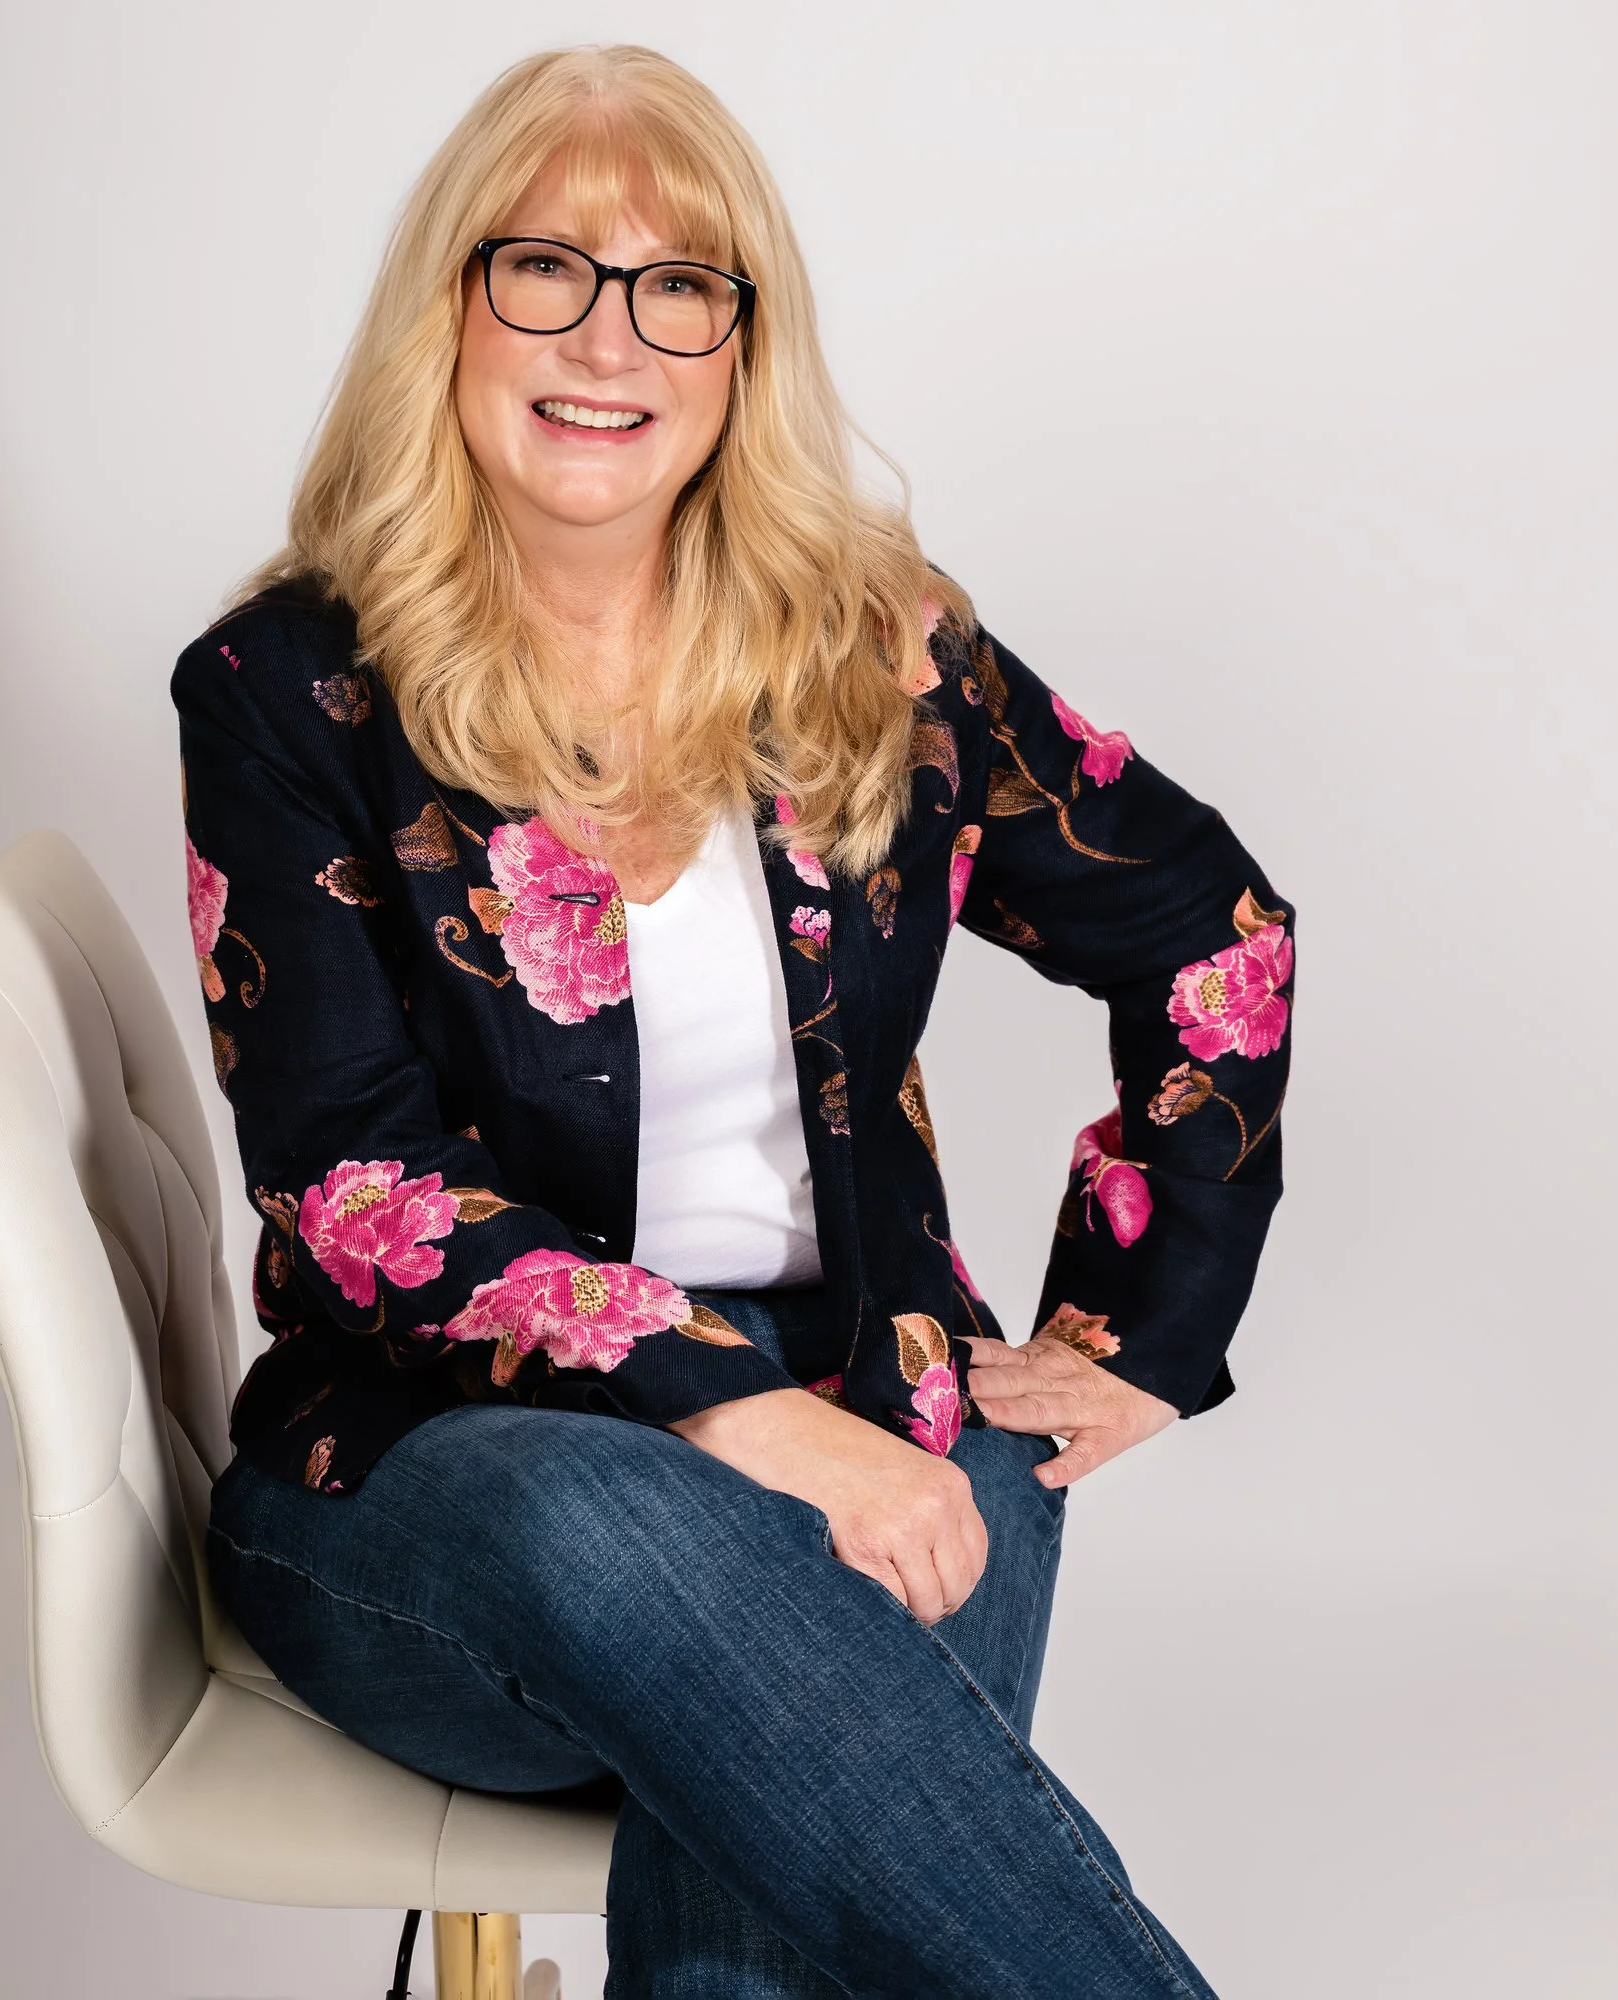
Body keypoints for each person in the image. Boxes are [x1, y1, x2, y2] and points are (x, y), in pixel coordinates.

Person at [176, 43, 1292, 1999]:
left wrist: (1141, 1326)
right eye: (546, 267)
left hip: (876, 1392)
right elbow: (355, 1181)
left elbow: (1207, 924)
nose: (608, 337)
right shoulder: (291, 688)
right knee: (639, 1531)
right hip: (440, 1473)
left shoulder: (876, 649)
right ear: (449, 303)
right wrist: (750, 1423)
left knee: (857, 1624)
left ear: (740, 347)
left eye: (679, 284)